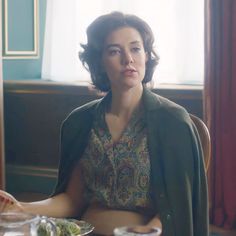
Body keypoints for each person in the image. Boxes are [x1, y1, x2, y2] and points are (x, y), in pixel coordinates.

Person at [0, 11, 208, 236]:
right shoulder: (80, 122)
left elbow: (178, 211)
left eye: (136, 48)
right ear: (99, 60)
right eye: (114, 51)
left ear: (147, 55)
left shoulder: (173, 123)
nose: (128, 58)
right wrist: (21, 207)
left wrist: (146, 232)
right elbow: (71, 200)